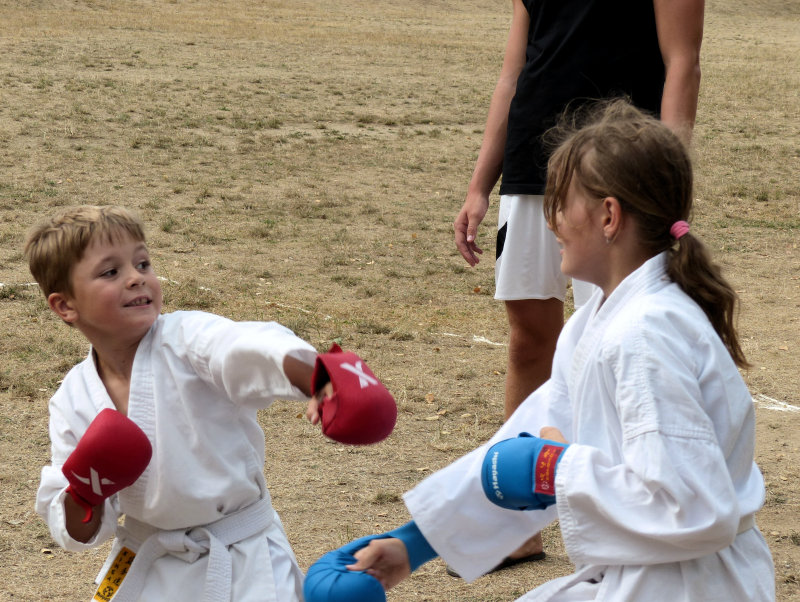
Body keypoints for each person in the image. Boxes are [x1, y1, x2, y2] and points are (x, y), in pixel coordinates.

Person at [304, 101, 775, 601]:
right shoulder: (600, 321)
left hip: (692, 585)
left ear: (609, 216)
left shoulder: (647, 335)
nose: (551, 222)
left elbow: (693, 508)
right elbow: (526, 443)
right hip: (647, 574)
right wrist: (415, 543)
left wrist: (553, 469)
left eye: (560, 203)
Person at [26, 205, 395, 602]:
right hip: (151, 563)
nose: (136, 278)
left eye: (143, 263)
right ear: (65, 306)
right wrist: (85, 494)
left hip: (242, 560)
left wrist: (319, 379)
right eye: (111, 272)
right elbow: (77, 528)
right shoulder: (72, 398)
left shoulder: (186, 338)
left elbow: (242, 348)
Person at [452, 0, 704, 566]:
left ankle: (622, 519)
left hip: (620, 172)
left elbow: (683, 62)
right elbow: (514, 73)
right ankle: (521, 519)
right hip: (532, 162)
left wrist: (666, 187)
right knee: (528, 339)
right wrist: (479, 185)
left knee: (618, 343)